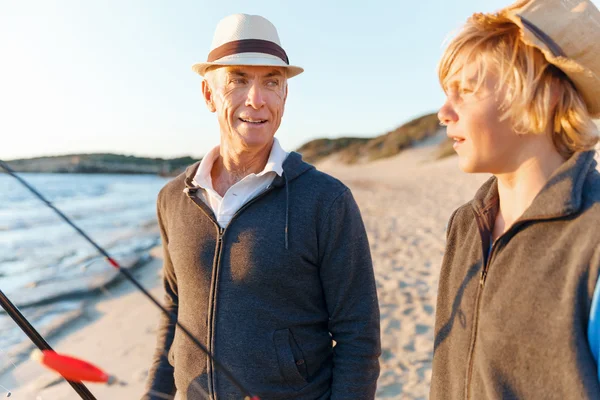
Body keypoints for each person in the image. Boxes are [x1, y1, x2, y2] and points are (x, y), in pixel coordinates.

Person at [143, 13, 381, 400]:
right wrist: (155, 393)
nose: (257, 99)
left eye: (271, 82)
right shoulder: (173, 198)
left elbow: (359, 336)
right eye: (238, 80)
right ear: (208, 94)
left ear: (285, 95)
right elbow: (174, 306)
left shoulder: (327, 201)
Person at [431, 0, 600, 398]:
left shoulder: (592, 233)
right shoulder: (466, 224)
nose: (443, 112)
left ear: (542, 94)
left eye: (466, 91)